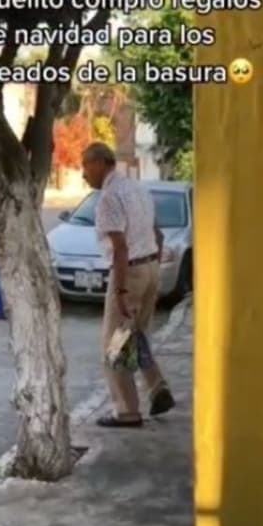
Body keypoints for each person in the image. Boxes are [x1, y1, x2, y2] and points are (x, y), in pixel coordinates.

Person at [81, 142, 175, 428]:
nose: (84, 174)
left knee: (116, 345)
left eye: (85, 166)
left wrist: (121, 289)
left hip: (130, 272)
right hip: (150, 269)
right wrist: (152, 268)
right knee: (135, 336)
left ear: (99, 163)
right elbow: (157, 235)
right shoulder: (137, 189)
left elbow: (120, 248)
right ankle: (157, 386)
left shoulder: (109, 197)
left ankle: (127, 411)